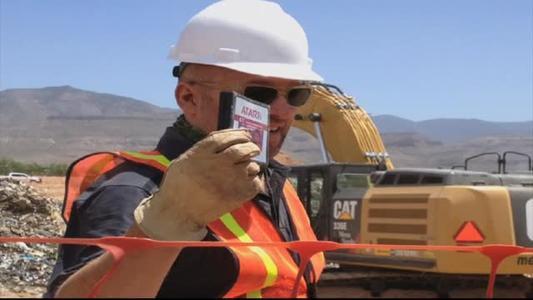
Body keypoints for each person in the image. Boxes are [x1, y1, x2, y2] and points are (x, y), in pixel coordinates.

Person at [46, 0, 325, 298]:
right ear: (189, 98)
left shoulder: (277, 187)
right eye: (260, 93)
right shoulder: (134, 191)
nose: (282, 110)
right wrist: (165, 222)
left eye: (296, 93)